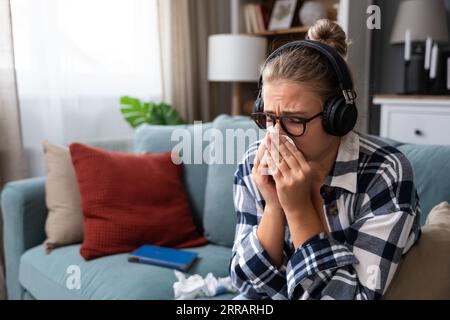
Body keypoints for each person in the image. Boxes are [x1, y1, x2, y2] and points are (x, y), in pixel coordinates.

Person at [229, 19, 421, 300]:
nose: (275, 136)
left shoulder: (385, 173)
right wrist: (273, 206)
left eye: (294, 120)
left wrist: (296, 209)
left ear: (338, 117)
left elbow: (355, 296)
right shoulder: (253, 162)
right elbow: (246, 286)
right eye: (269, 117)